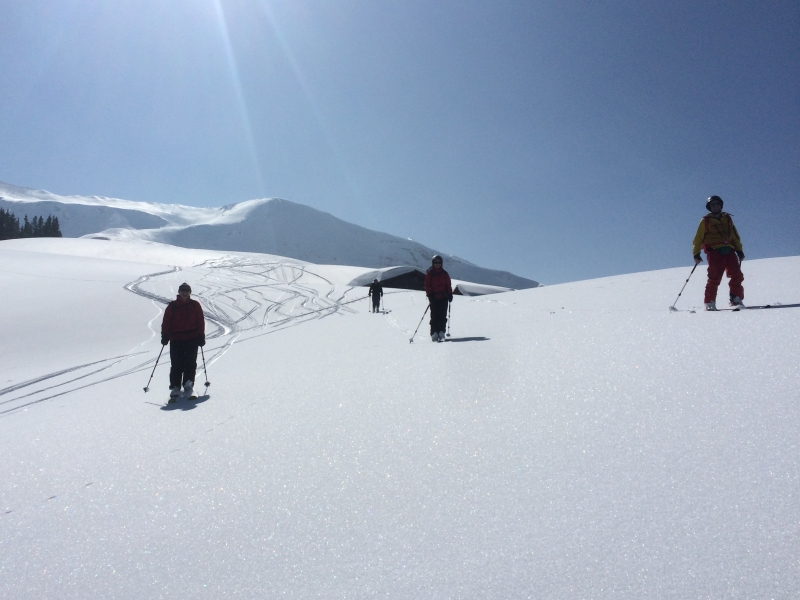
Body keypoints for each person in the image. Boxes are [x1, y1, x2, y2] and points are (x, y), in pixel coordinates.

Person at [692, 195, 745, 311]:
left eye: (717, 204)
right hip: (714, 252)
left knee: (736, 275)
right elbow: (698, 238)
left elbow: (735, 236)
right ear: (709, 207)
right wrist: (696, 253)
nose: (716, 206)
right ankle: (709, 302)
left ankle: (735, 299)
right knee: (714, 277)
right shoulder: (705, 221)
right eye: (713, 205)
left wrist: (739, 250)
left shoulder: (728, 219)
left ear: (721, 205)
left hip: (730, 251)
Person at [161, 282, 206, 401]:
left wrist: (201, 336)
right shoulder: (172, 306)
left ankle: (188, 385)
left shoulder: (195, 305)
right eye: (182, 291)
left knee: (190, 364)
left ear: (190, 292)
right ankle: (175, 387)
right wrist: (164, 335)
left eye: (187, 291)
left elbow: (200, 321)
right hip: (176, 339)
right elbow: (166, 321)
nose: (184, 293)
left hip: (192, 339)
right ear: (179, 292)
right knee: (176, 364)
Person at [424, 255, 453, 342]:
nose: (437, 264)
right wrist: (429, 295)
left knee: (442, 316)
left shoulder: (445, 274)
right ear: (433, 263)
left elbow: (448, 285)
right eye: (436, 262)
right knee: (434, 316)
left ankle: (441, 331)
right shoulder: (430, 273)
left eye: (439, 262)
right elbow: (427, 285)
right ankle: (434, 333)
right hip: (434, 297)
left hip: (444, 298)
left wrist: (450, 294)